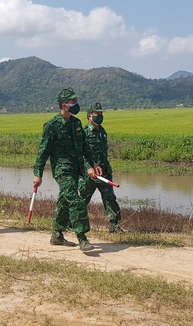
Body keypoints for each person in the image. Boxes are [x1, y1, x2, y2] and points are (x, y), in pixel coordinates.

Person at [33, 87, 101, 252]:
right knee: (76, 201)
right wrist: (38, 174)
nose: (76, 104)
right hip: (62, 170)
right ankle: (82, 237)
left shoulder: (77, 123)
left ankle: (57, 234)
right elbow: (43, 151)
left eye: (76, 101)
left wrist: (92, 165)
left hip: (76, 168)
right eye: (73, 102)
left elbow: (84, 148)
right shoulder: (52, 125)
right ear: (64, 105)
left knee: (64, 201)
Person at [79, 102, 124, 233]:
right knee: (82, 199)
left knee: (109, 198)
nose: (100, 116)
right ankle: (72, 222)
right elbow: (80, 154)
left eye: (101, 113)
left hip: (104, 172)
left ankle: (114, 226)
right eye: (97, 113)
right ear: (89, 116)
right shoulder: (84, 132)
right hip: (90, 174)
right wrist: (89, 167)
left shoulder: (102, 131)